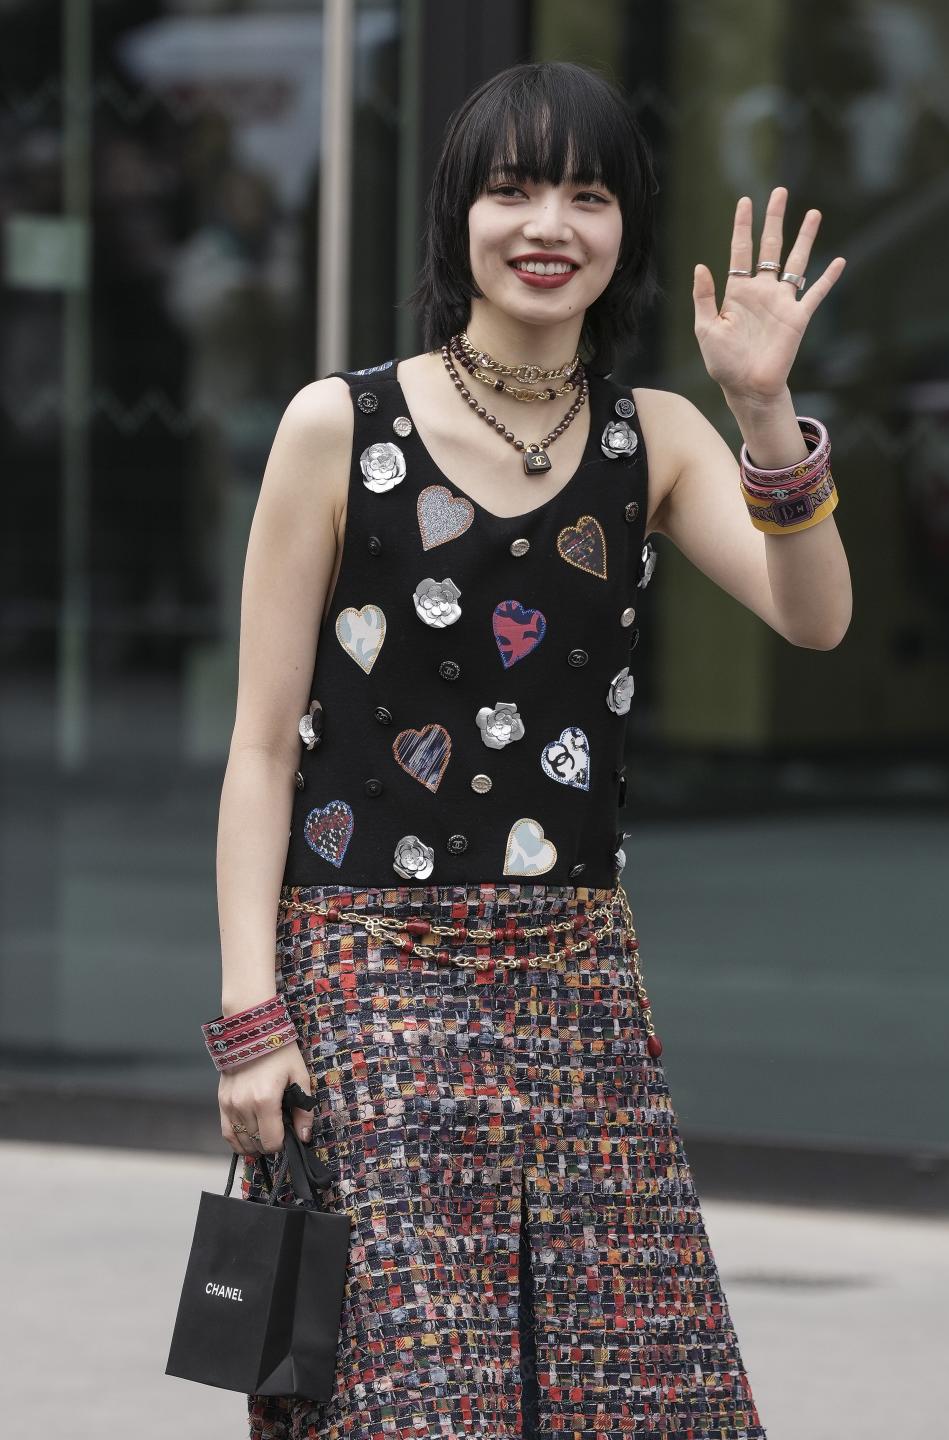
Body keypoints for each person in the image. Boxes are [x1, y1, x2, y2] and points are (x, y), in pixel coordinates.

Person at [204, 59, 851, 1440]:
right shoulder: (340, 428)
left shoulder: (656, 439)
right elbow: (262, 748)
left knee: (627, 1393)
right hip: (368, 959)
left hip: (574, 973)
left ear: (625, 230)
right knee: (406, 1393)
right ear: (459, 217)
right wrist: (253, 1025)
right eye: (512, 189)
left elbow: (816, 618)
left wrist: (762, 416)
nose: (547, 222)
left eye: (587, 192)